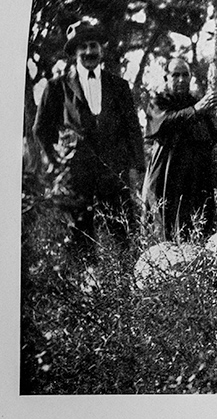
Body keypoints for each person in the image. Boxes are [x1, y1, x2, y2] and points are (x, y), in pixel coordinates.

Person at [33, 19, 146, 259]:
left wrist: (136, 166)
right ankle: (87, 285)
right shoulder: (57, 87)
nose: (88, 51)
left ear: (101, 50)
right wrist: (56, 162)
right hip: (77, 174)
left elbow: (132, 128)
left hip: (114, 171)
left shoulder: (119, 86)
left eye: (93, 45)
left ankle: (128, 281)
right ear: (74, 53)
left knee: (123, 229)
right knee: (80, 233)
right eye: (82, 47)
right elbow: (41, 128)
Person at [141, 58, 217, 241]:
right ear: (166, 77)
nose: (181, 79)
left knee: (196, 231)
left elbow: (214, 139)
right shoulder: (159, 102)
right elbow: (165, 123)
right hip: (166, 178)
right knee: (164, 234)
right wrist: (196, 109)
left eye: (185, 75)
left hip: (195, 182)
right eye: (175, 75)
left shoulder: (199, 104)